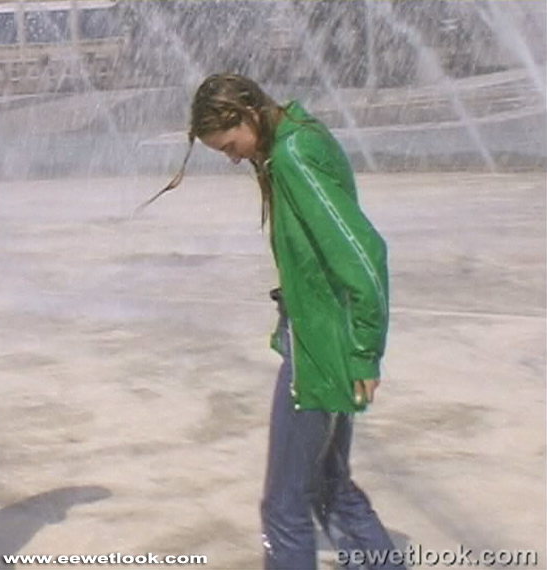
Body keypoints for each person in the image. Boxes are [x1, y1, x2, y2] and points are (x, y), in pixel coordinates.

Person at [141, 74, 405, 570]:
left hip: (320, 349)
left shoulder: (294, 155)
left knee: (284, 507)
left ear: (247, 114)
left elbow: (363, 253)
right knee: (329, 488)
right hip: (326, 338)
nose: (232, 158)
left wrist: (365, 351)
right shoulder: (297, 137)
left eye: (229, 145)